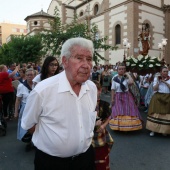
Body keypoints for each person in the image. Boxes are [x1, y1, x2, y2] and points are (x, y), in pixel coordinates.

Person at [21, 37, 97, 170]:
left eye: (89, 59)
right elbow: (29, 125)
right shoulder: (43, 90)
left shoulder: (92, 88)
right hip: (51, 163)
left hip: (86, 159)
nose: (86, 65)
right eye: (79, 58)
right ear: (65, 61)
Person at [109, 63, 143, 131]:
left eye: (123, 69)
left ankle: (129, 127)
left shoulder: (126, 78)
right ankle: (119, 127)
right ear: (117, 70)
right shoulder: (114, 79)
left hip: (127, 95)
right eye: (120, 69)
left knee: (128, 110)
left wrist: (127, 74)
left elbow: (131, 82)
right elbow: (113, 89)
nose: (121, 70)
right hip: (118, 95)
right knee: (119, 110)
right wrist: (112, 99)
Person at [92, 81, 114, 170]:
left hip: (100, 134)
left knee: (101, 156)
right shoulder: (84, 104)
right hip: (88, 136)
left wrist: (103, 125)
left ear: (100, 90)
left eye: (95, 90)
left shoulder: (104, 104)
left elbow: (110, 115)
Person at [14, 68, 35, 150]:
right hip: (25, 108)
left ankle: (35, 142)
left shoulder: (37, 84)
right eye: (28, 75)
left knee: (36, 125)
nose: (30, 76)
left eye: (31, 75)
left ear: (34, 75)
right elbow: (18, 100)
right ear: (25, 76)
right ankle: (28, 142)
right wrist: (16, 112)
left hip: (35, 107)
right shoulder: (21, 86)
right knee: (26, 126)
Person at [146, 66, 170, 137]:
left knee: (165, 115)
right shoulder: (156, 78)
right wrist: (159, 82)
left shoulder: (169, 78)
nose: (165, 73)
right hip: (158, 97)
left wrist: (165, 82)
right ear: (160, 72)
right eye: (164, 71)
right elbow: (155, 89)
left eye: (166, 71)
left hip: (167, 97)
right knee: (156, 113)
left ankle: (164, 131)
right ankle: (153, 130)